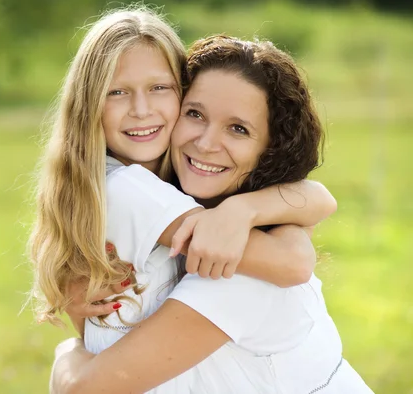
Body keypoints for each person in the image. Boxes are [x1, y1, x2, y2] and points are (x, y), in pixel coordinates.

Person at [50, 35, 374, 393]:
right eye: (195, 114)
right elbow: (313, 208)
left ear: (270, 150)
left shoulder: (235, 272)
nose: (205, 143)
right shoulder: (158, 199)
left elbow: (84, 388)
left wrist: (68, 355)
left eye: (238, 129)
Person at [27, 6, 335, 334]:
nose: (142, 110)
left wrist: (244, 208)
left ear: (182, 92)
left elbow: (321, 198)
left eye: (159, 88)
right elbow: (293, 262)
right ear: (88, 104)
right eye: (117, 92)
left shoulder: (163, 181)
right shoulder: (127, 188)